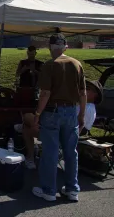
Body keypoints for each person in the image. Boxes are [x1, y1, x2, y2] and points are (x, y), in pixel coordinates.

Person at [32, 33, 86, 202]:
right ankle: (72, 189)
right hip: (71, 111)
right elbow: (83, 93)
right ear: (65, 47)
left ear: (50, 47)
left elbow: (45, 93)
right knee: (71, 152)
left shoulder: (49, 65)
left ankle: (48, 189)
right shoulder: (76, 64)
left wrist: (37, 114)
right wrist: (82, 114)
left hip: (52, 111)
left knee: (51, 152)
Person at [16, 79, 102, 170]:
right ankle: (31, 155)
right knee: (30, 123)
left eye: (87, 88)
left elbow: (72, 126)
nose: (83, 90)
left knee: (28, 123)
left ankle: (30, 157)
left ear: (95, 94)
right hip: (60, 131)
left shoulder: (88, 108)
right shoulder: (81, 105)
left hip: (63, 135)